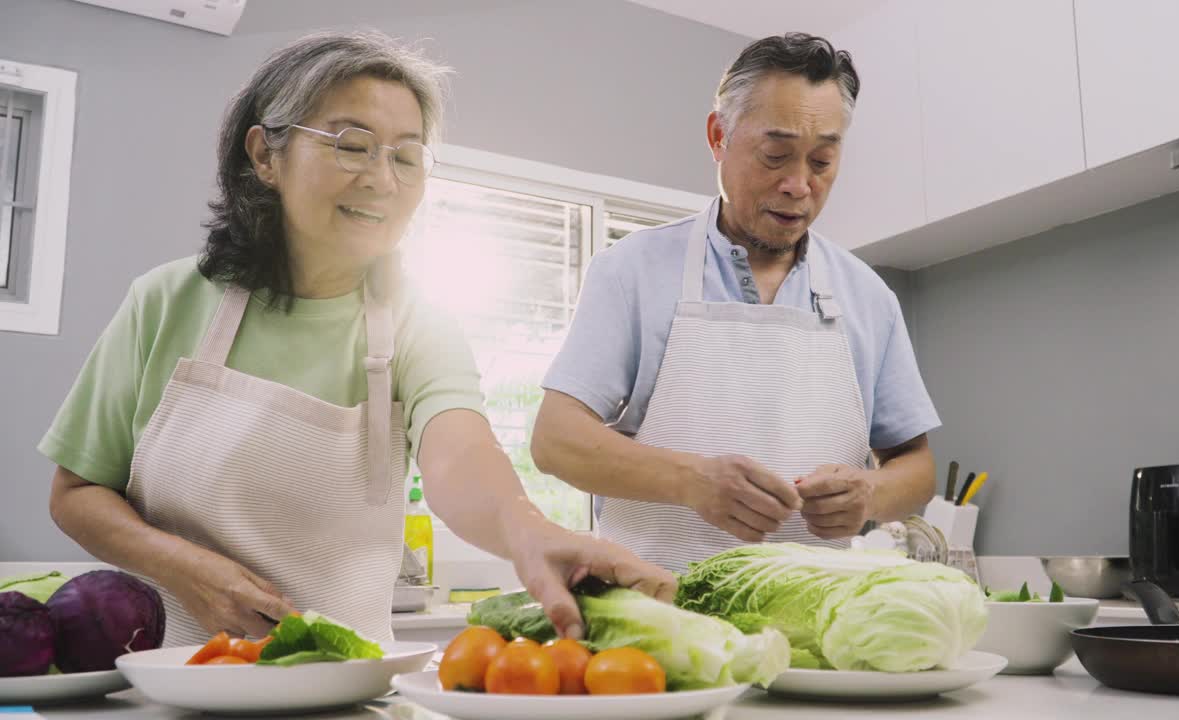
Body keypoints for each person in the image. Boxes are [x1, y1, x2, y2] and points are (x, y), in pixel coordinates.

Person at [40, 31, 672, 647]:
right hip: (168, 679)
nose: (383, 179)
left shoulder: (419, 324)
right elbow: (77, 494)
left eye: (405, 156)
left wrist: (528, 532)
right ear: (265, 156)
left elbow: (460, 459)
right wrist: (179, 564)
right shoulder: (167, 300)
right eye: (352, 145)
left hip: (347, 689)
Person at [531, 33, 939, 573]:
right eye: (775, 155)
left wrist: (870, 494)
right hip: (657, 623)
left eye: (821, 160)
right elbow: (556, 440)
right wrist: (691, 480)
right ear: (718, 135)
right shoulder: (631, 271)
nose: (799, 185)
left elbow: (916, 467)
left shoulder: (869, 299)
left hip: (814, 628)